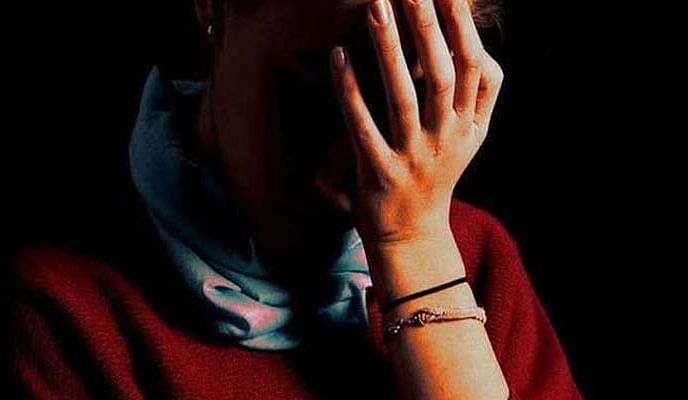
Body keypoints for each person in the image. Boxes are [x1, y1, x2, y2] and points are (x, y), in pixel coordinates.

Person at [11, 0, 582, 398]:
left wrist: (416, 250)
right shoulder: (66, 309)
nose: (367, 142)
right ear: (215, 8)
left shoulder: (476, 260)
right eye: (321, 76)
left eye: (412, 87)